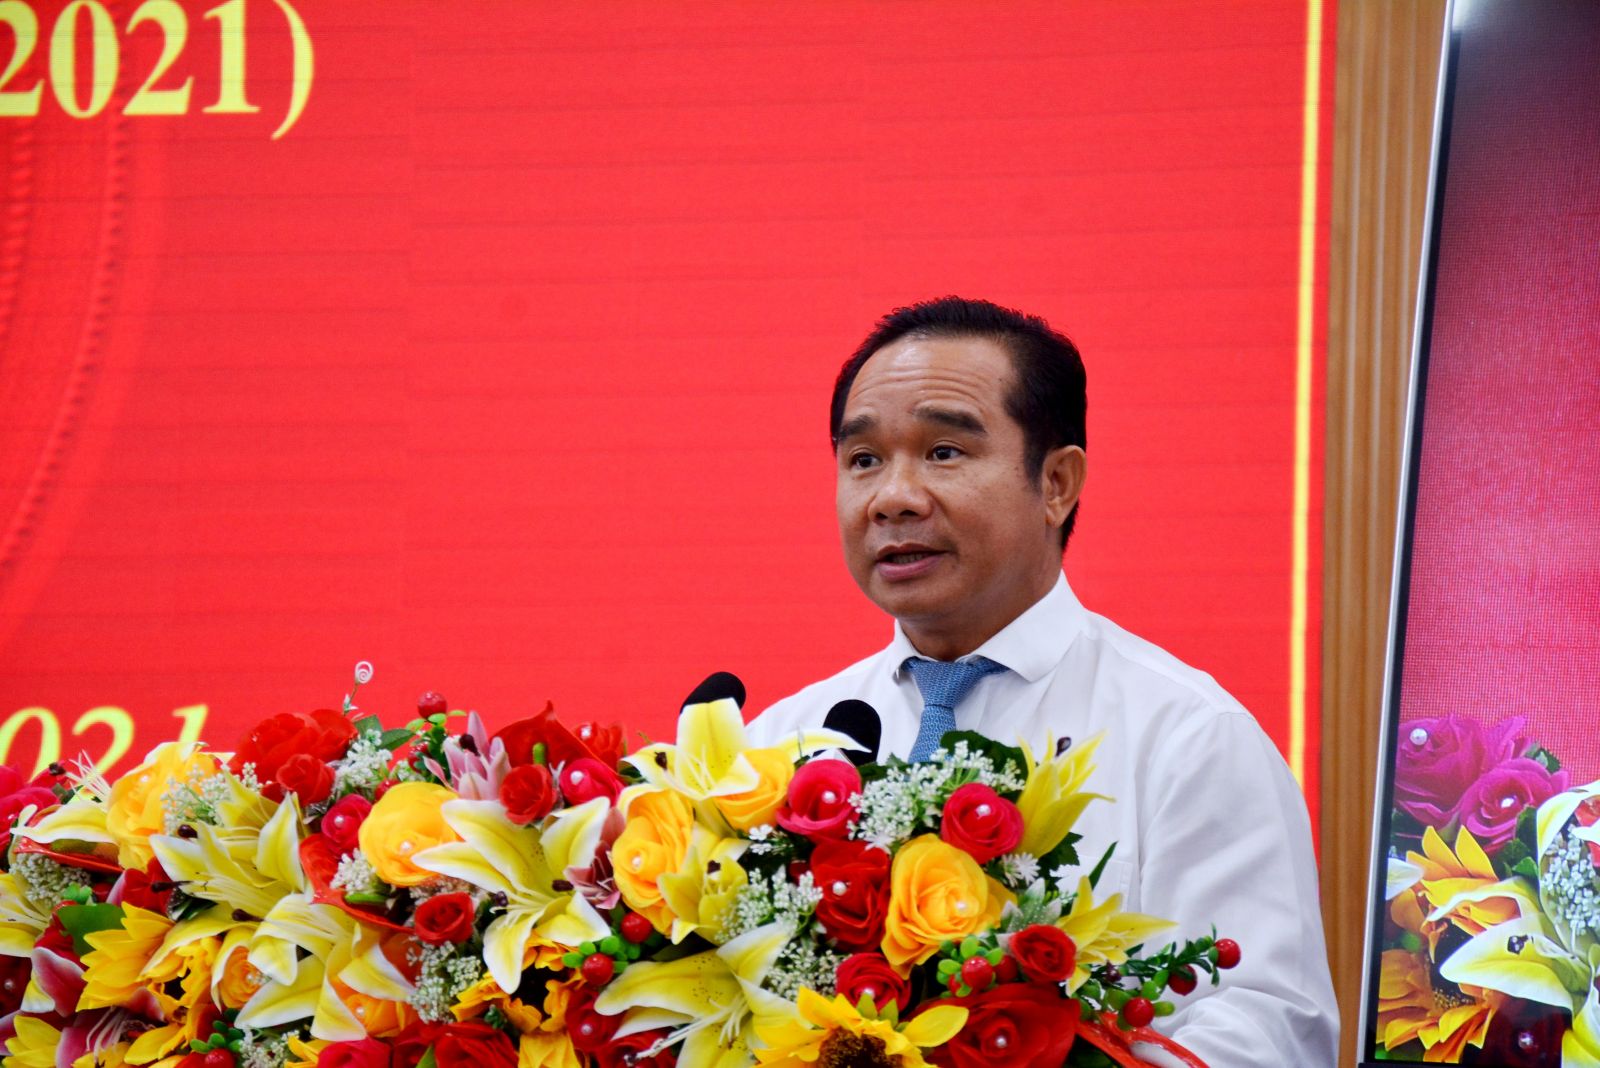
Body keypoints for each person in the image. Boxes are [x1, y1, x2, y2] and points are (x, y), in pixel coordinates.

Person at [746, 296, 1339, 1067]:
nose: (892, 496)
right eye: (863, 460)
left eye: (944, 452)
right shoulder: (782, 745)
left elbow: (1270, 1032)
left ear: (1057, 483)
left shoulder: (1187, 738)